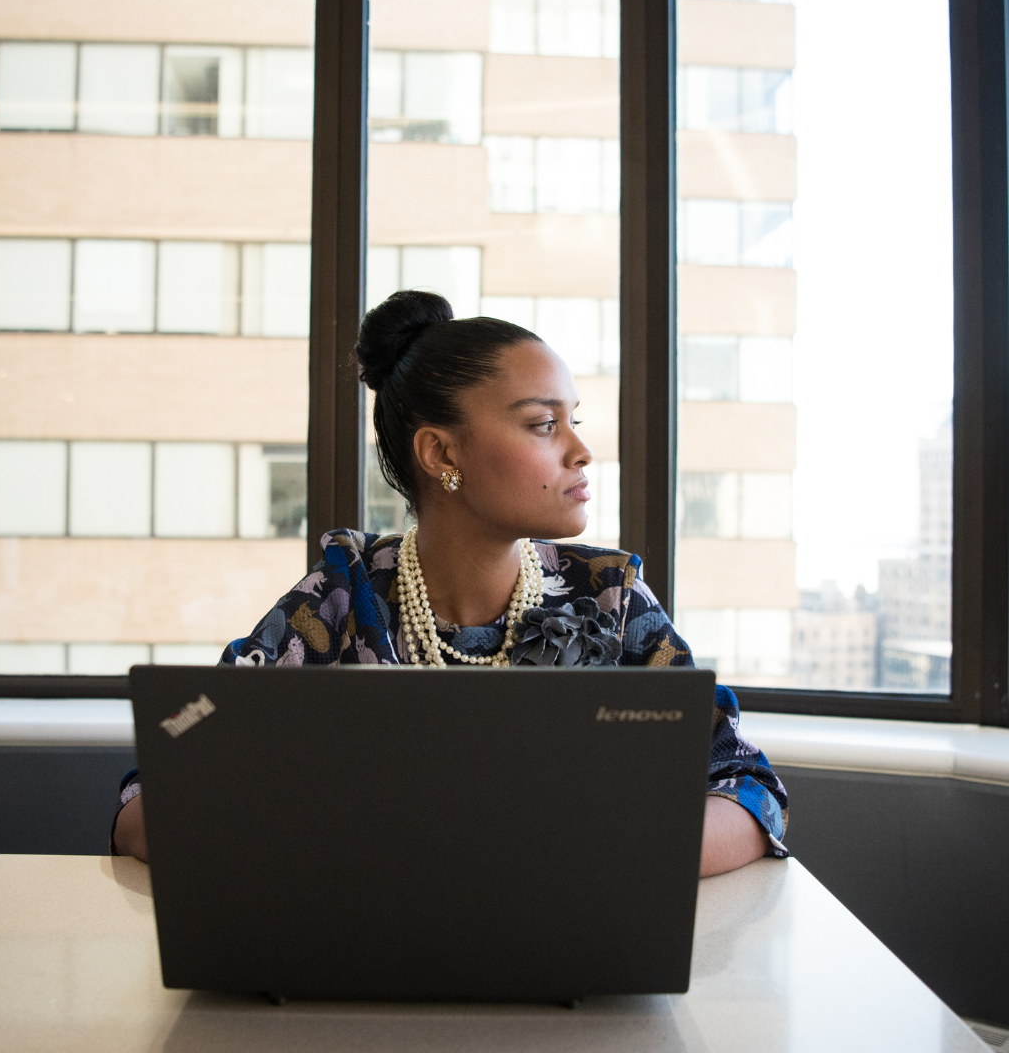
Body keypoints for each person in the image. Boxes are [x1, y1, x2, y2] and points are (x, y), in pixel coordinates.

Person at [113, 290, 788, 874]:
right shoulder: (340, 599)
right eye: (543, 424)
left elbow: (749, 789)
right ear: (442, 454)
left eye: (572, 421)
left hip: (570, 971)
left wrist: (596, 855)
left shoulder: (609, 598)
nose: (581, 451)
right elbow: (150, 797)